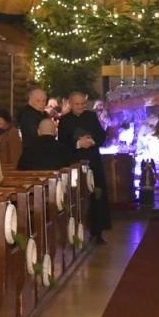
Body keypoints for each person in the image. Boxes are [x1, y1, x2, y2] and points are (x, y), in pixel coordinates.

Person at [58, 91, 111, 242]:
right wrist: (78, 143)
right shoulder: (64, 121)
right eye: (77, 104)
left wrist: (93, 141)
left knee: (97, 194)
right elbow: (62, 143)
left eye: (83, 104)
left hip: (93, 161)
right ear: (70, 103)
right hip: (74, 162)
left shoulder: (91, 117)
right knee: (76, 197)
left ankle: (98, 232)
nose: (81, 106)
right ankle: (74, 233)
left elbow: (102, 135)